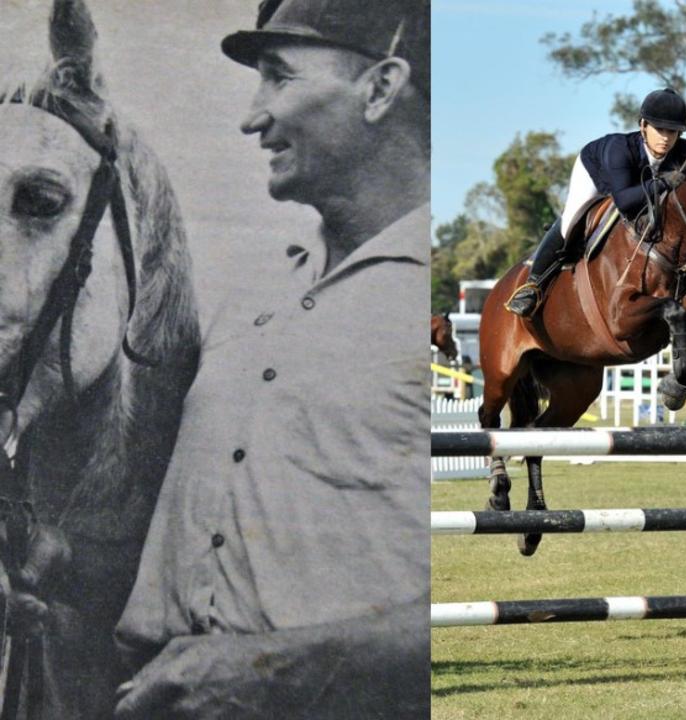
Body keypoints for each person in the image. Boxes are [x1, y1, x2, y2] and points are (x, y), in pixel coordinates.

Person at [111, 0, 429, 717]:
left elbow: (510, 595)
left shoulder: (480, 308)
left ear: (380, 89)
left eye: (279, 79)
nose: (252, 118)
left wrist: (277, 669)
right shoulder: (252, 291)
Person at [504, 87, 686, 316]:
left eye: (672, 132)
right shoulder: (619, 150)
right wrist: (665, 183)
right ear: (643, 126)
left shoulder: (685, 153)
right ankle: (533, 285)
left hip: (641, 184)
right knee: (571, 220)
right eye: (659, 129)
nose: (665, 138)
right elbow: (625, 201)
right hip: (596, 173)